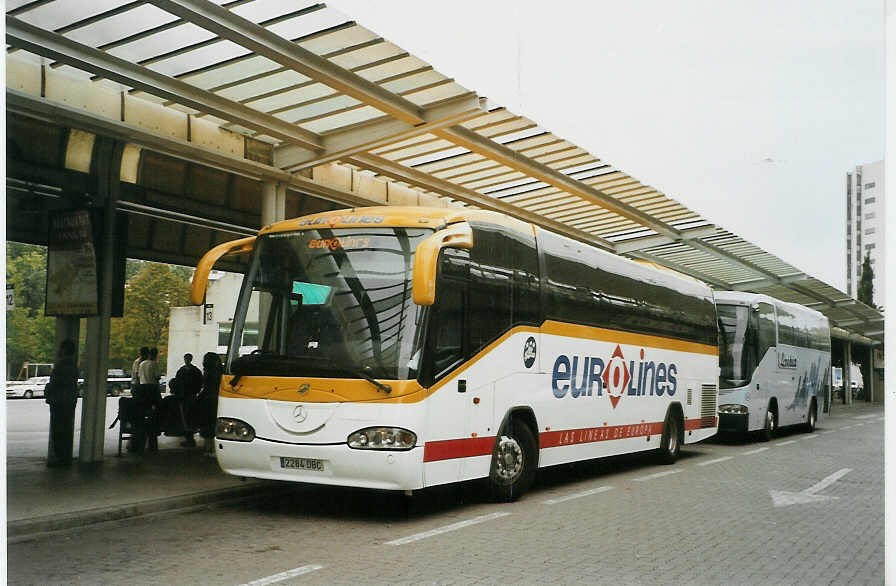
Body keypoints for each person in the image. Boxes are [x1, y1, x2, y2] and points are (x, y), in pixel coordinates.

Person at [45, 340, 79, 467]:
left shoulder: (60, 366)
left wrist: (48, 391)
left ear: (63, 350)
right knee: (66, 430)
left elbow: (55, 383)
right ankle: (65, 458)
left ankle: (60, 459)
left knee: (58, 431)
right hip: (69, 401)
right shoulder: (74, 366)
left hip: (59, 402)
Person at [135, 347, 162, 453]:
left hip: (142, 390)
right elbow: (157, 377)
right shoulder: (154, 364)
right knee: (153, 416)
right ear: (155, 355)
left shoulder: (141, 364)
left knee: (143, 415)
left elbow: (138, 377)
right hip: (152, 390)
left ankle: (141, 443)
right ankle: (152, 444)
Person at [174, 353, 203, 447]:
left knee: (187, 417)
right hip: (188, 396)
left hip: (187, 396)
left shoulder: (183, 371)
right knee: (188, 417)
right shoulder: (194, 371)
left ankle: (189, 438)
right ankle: (189, 438)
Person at [197, 352, 223, 455]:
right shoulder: (219, 372)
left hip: (207, 400)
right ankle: (212, 448)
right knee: (213, 424)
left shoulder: (207, 372)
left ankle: (208, 447)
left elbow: (205, 386)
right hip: (216, 400)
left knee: (207, 424)